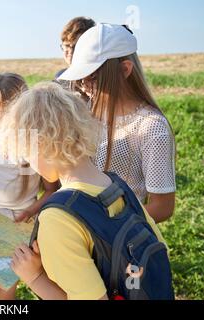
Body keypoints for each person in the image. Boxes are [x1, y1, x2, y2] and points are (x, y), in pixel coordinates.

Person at [0, 82, 169, 300]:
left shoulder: (58, 217)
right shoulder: (117, 185)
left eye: (26, 153)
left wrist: (35, 277)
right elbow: (160, 251)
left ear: (39, 144)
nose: (29, 162)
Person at [59, 23, 176, 223]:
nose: (84, 85)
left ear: (124, 70)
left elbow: (163, 207)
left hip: (116, 243)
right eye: (80, 77)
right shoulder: (85, 113)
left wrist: (105, 226)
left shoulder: (151, 127)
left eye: (93, 76)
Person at [0, 73, 59, 300]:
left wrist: (30, 211)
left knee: (8, 278)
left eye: (5, 111)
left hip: (18, 221)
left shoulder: (35, 144)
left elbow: (51, 189)